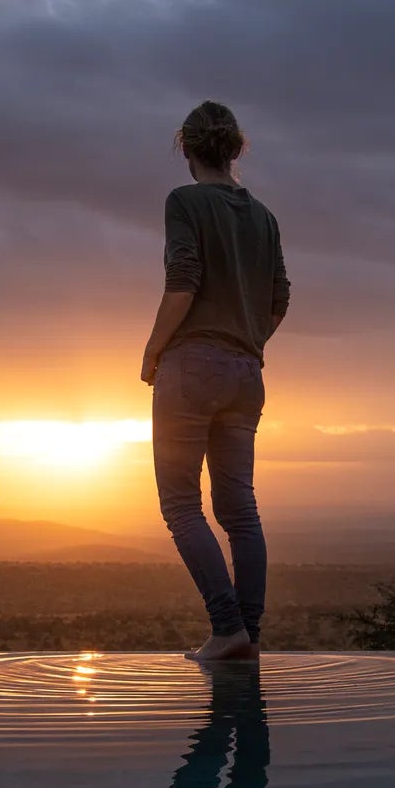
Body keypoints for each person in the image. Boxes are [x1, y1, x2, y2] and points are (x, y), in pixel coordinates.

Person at [140, 100, 290, 663]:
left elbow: (183, 280)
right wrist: (248, 343)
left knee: (180, 504)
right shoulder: (265, 217)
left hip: (192, 367)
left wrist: (154, 352)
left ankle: (227, 628)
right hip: (246, 373)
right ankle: (246, 633)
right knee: (240, 509)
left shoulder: (184, 202)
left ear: (187, 149)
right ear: (234, 149)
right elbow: (280, 300)